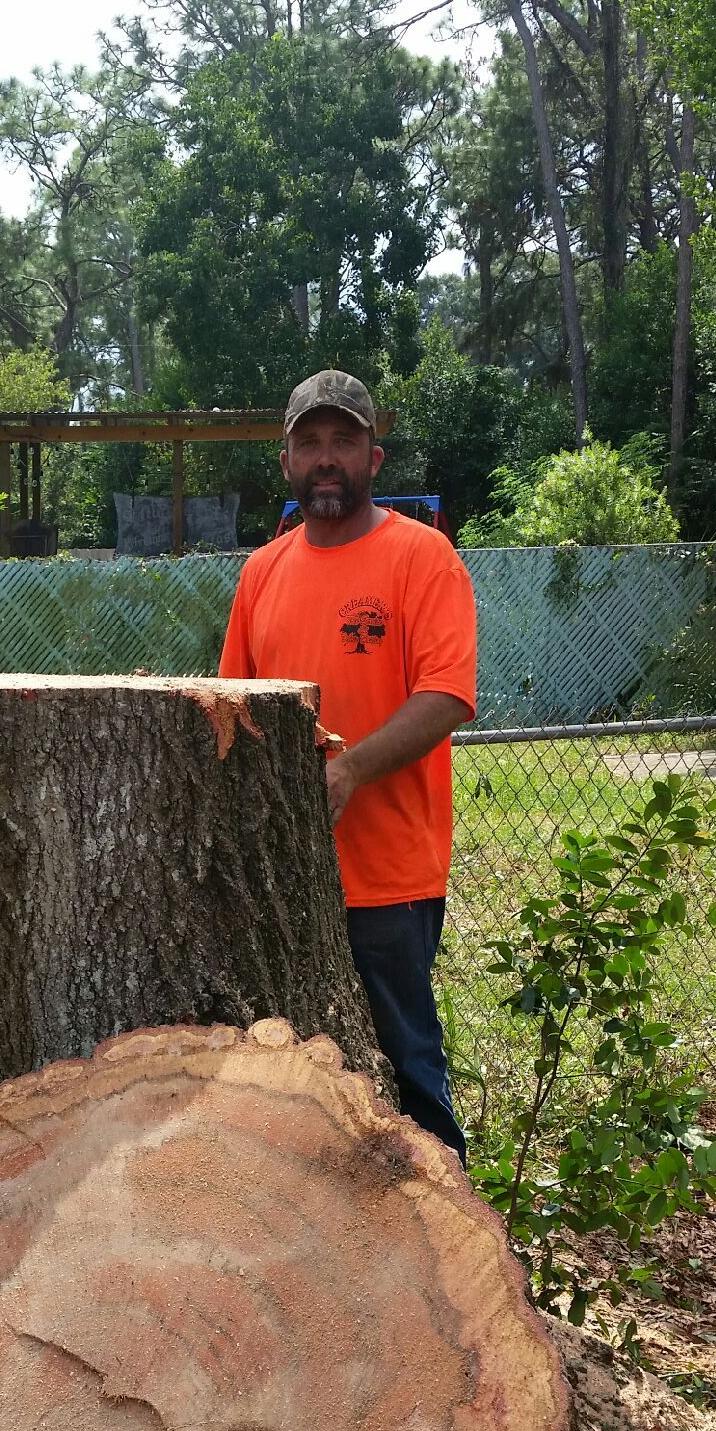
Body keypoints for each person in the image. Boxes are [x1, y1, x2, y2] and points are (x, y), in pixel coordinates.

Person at [220, 369, 475, 1160]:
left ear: (375, 456)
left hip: (387, 878)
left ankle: (456, 1253)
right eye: (310, 443)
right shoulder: (261, 572)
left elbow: (446, 695)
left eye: (344, 441)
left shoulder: (422, 559)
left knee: (406, 1073)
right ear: (287, 461)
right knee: (286, 1080)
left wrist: (351, 769)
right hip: (280, 878)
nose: (326, 458)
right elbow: (232, 707)